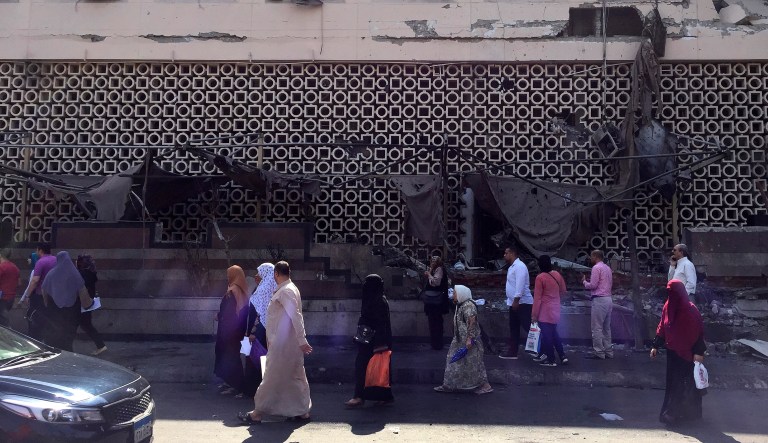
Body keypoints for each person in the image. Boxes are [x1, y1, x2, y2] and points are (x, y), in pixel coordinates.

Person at [239, 261, 312, 424]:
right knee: (295, 376)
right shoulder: (289, 289)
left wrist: (302, 339)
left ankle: (257, 413)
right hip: (286, 343)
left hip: (283, 344)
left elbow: (296, 316)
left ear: (276, 274)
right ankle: (302, 411)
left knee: (271, 377)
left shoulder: (285, 291)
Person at [650, 279, 707, 425]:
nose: (671, 295)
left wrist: (698, 353)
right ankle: (674, 413)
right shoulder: (669, 306)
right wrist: (655, 345)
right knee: (674, 384)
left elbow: (699, 334)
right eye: (669, 292)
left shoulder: (690, 311)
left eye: (673, 292)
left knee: (684, 384)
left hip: (688, 354)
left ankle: (677, 414)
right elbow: (663, 325)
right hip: (673, 352)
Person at [433, 285, 492, 395]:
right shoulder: (460, 305)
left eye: (455, 293)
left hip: (470, 341)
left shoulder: (468, 306)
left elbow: (472, 322)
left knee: (475, 363)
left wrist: (470, 338)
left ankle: (485, 385)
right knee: (453, 361)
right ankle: (449, 384)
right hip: (459, 340)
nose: (453, 295)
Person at [346, 274, 394, 407]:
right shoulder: (378, 299)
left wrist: (379, 344)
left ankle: (359, 396)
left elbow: (379, 323)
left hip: (373, 342)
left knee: (363, 367)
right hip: (373, 341)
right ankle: (382, 396)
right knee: (379, 370)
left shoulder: (377, 301)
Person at [242, 263, 276, 397]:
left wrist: (252, 332)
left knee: (256, 358)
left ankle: (254, 390)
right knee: (252, 357)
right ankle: (255, 389)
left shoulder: (264, 289)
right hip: (254, 329)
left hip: (257, 330)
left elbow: (260, 313)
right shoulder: (263, 287)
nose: (256, 275)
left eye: (259, 272)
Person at [40, 251, 86, 351]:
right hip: (72, 313)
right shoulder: (75, 274)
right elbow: (82, 292)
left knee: (54, 337)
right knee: (68, 339)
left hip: (54, 312)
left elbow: (44, 291)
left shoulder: (51, 274)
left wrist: (47, 304)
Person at [215, 265, 249, 397]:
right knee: (232, 356)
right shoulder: (241, 290)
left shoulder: (233, 291)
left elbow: (229, 314)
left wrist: (220, 317)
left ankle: (236, 385)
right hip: (237, 331)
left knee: (231, 357)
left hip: (230, 333)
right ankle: (230, 382)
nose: (227, 277)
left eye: (229, 274)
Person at [531, 255, 568, 367]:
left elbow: (537, 298)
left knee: (547, 336)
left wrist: (534, 315)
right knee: (554, 334)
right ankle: (562, 356)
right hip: (556, 309)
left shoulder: (540, 277)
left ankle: (551, 360)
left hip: (544, 311)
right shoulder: (557, 274)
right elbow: (563, 291)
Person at [499, 246, 533, 360]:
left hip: (522, 303)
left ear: (512, 253)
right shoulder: (511, 267)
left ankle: (543, 349)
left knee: (528, 327)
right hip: (513, 302)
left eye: (506, 253)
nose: (504, 255)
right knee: (514, 328)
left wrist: (516, 300)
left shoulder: (520, 266)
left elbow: (520, 285)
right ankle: (513, 352)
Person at [19, 243, 56, 340]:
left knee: (35, 320)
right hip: (54, 296)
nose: (36, 252)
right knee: (49, 320)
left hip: (40, 296)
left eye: (37, 250)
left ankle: (35, 341)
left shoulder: (41, 262)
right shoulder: (56, 260)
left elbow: (34, 281)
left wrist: (27, 296)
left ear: (40, 250)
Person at [582, 249, 614, 360]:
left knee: (596, 328)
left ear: (595, 256)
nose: (590, 258)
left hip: (599, 300)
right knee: (606, 328)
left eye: (591, 256)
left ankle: (599, 352)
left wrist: (585, 282)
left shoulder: (596, 268)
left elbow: (593, 285)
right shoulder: (608, 268)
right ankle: (608, 352)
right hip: (608, 299)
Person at [76, 255, 107, 356]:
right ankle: (100, 345)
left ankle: (101, 345)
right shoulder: (91, 274)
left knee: (83, 325)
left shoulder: (82, 274)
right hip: (88, 302)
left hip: (82, 302)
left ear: (80, 263)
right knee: (86, 325)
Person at [422, 255, 450, 351]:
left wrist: (429, 275)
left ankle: (437, 344)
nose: (432, 262)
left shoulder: (439, 269)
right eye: (432, 260)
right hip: (433, 302)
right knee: (433, 322)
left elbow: (436, 282)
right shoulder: (434, 269)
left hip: (436, 302)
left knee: (436, 322)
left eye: (434, 261)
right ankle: (435, 343)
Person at [0, 249, 20, 328]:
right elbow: (19, 283)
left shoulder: (1, 267)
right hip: (11, 298)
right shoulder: (15, 267)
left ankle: (9, 337)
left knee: (4, 322)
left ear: (0, 255)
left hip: (2, 298)